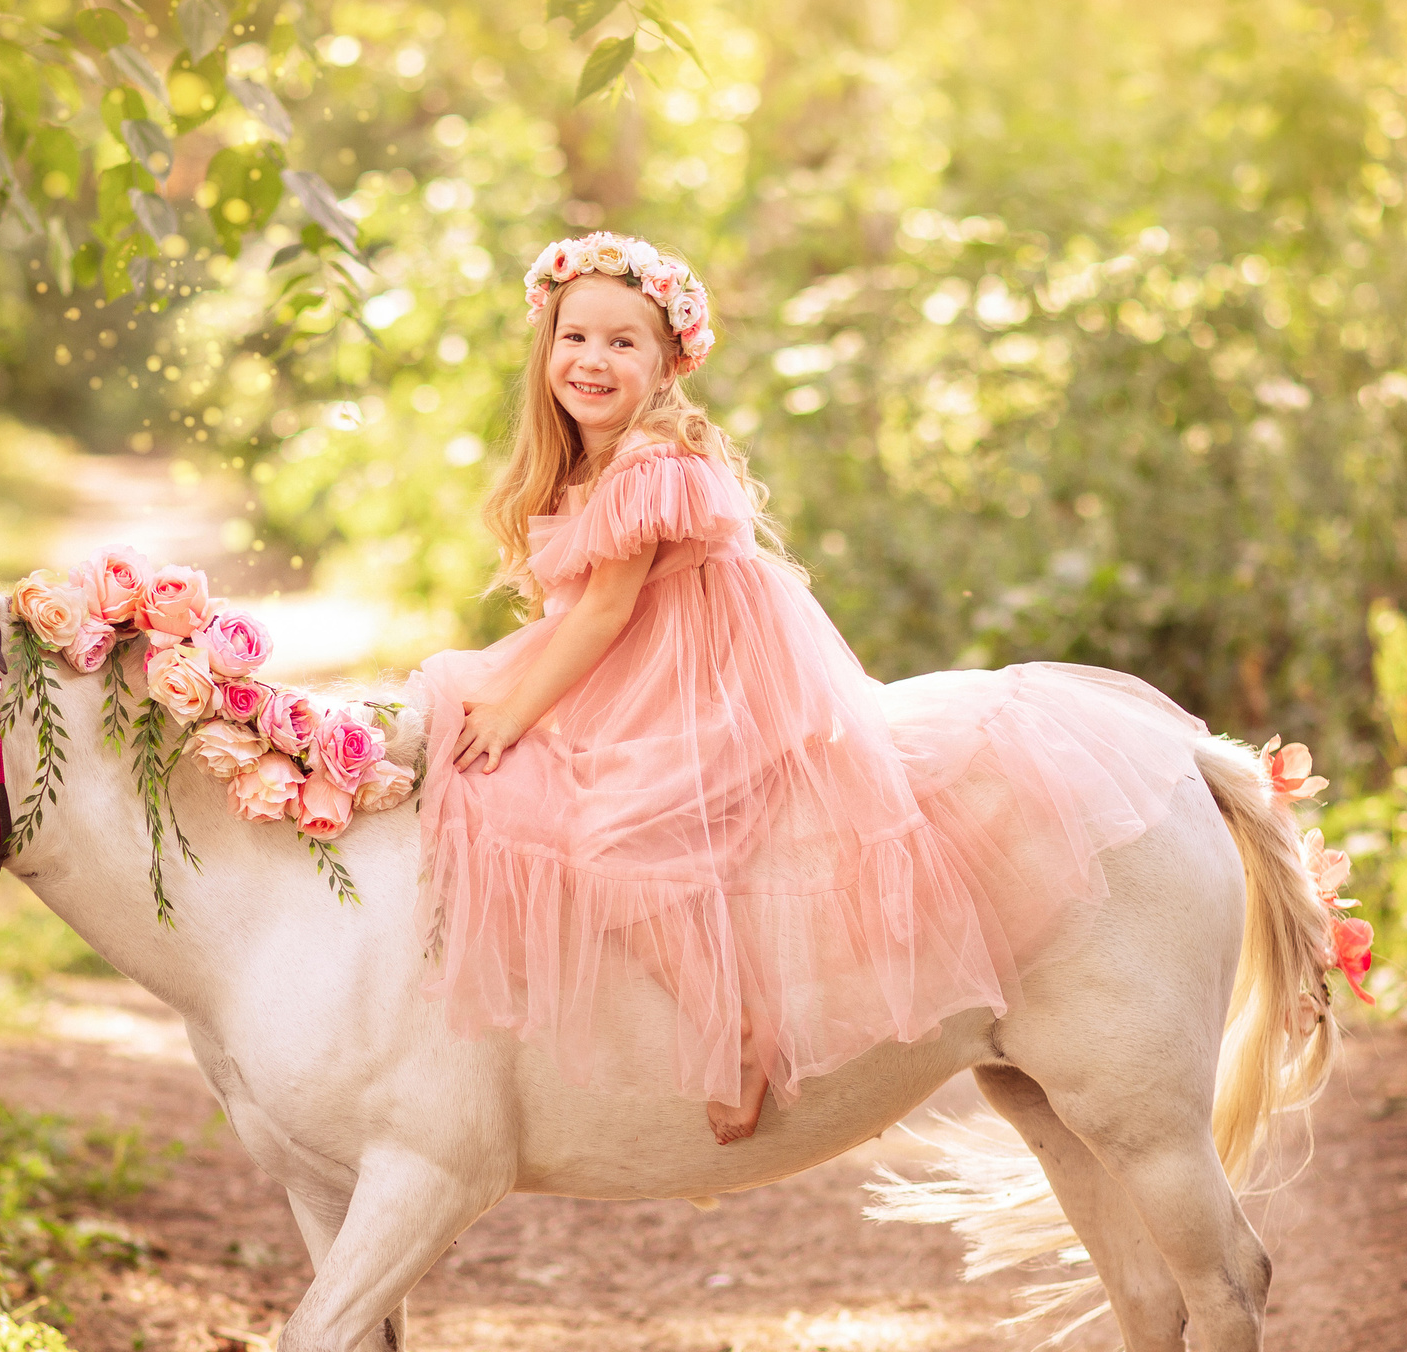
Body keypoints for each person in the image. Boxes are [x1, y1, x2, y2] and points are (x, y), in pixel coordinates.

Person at [416, 233, 1208, 1144]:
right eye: (574, 338)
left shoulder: (651, 463)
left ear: (669, 361)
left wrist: (519, 708)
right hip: (659, 668)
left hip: (711, 683)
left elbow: (601, 617)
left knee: (610, 828)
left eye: (623, 343)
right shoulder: (598, 462)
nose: (592, 360)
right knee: (527, 764)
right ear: (545, 346)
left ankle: (742, 1030)